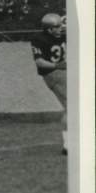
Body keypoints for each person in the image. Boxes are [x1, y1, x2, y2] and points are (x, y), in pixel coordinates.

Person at [32, 12, 67, 153]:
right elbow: (40, 62)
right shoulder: (39, 39)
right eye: (57, 27)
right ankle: (68, 145)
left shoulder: (62, 35)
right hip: (53, 74)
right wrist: (58, 66)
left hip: (64, 72)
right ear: (49, 29)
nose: (61, 29)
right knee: (72, 107)